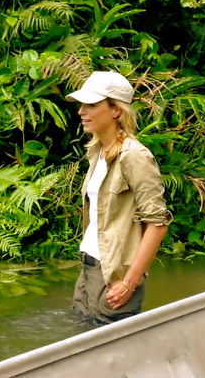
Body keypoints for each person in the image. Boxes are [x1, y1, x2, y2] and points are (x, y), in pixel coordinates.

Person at [66, 71, 172, 325]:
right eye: (82, 104)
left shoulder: (135, 157)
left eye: (92, 105)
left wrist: (129, 282)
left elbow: (158, 225)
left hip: (114, 276)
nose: (82, 111)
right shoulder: (97, 153)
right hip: (89, 267)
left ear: (116, 111)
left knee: (112, 355)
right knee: (79, 344)